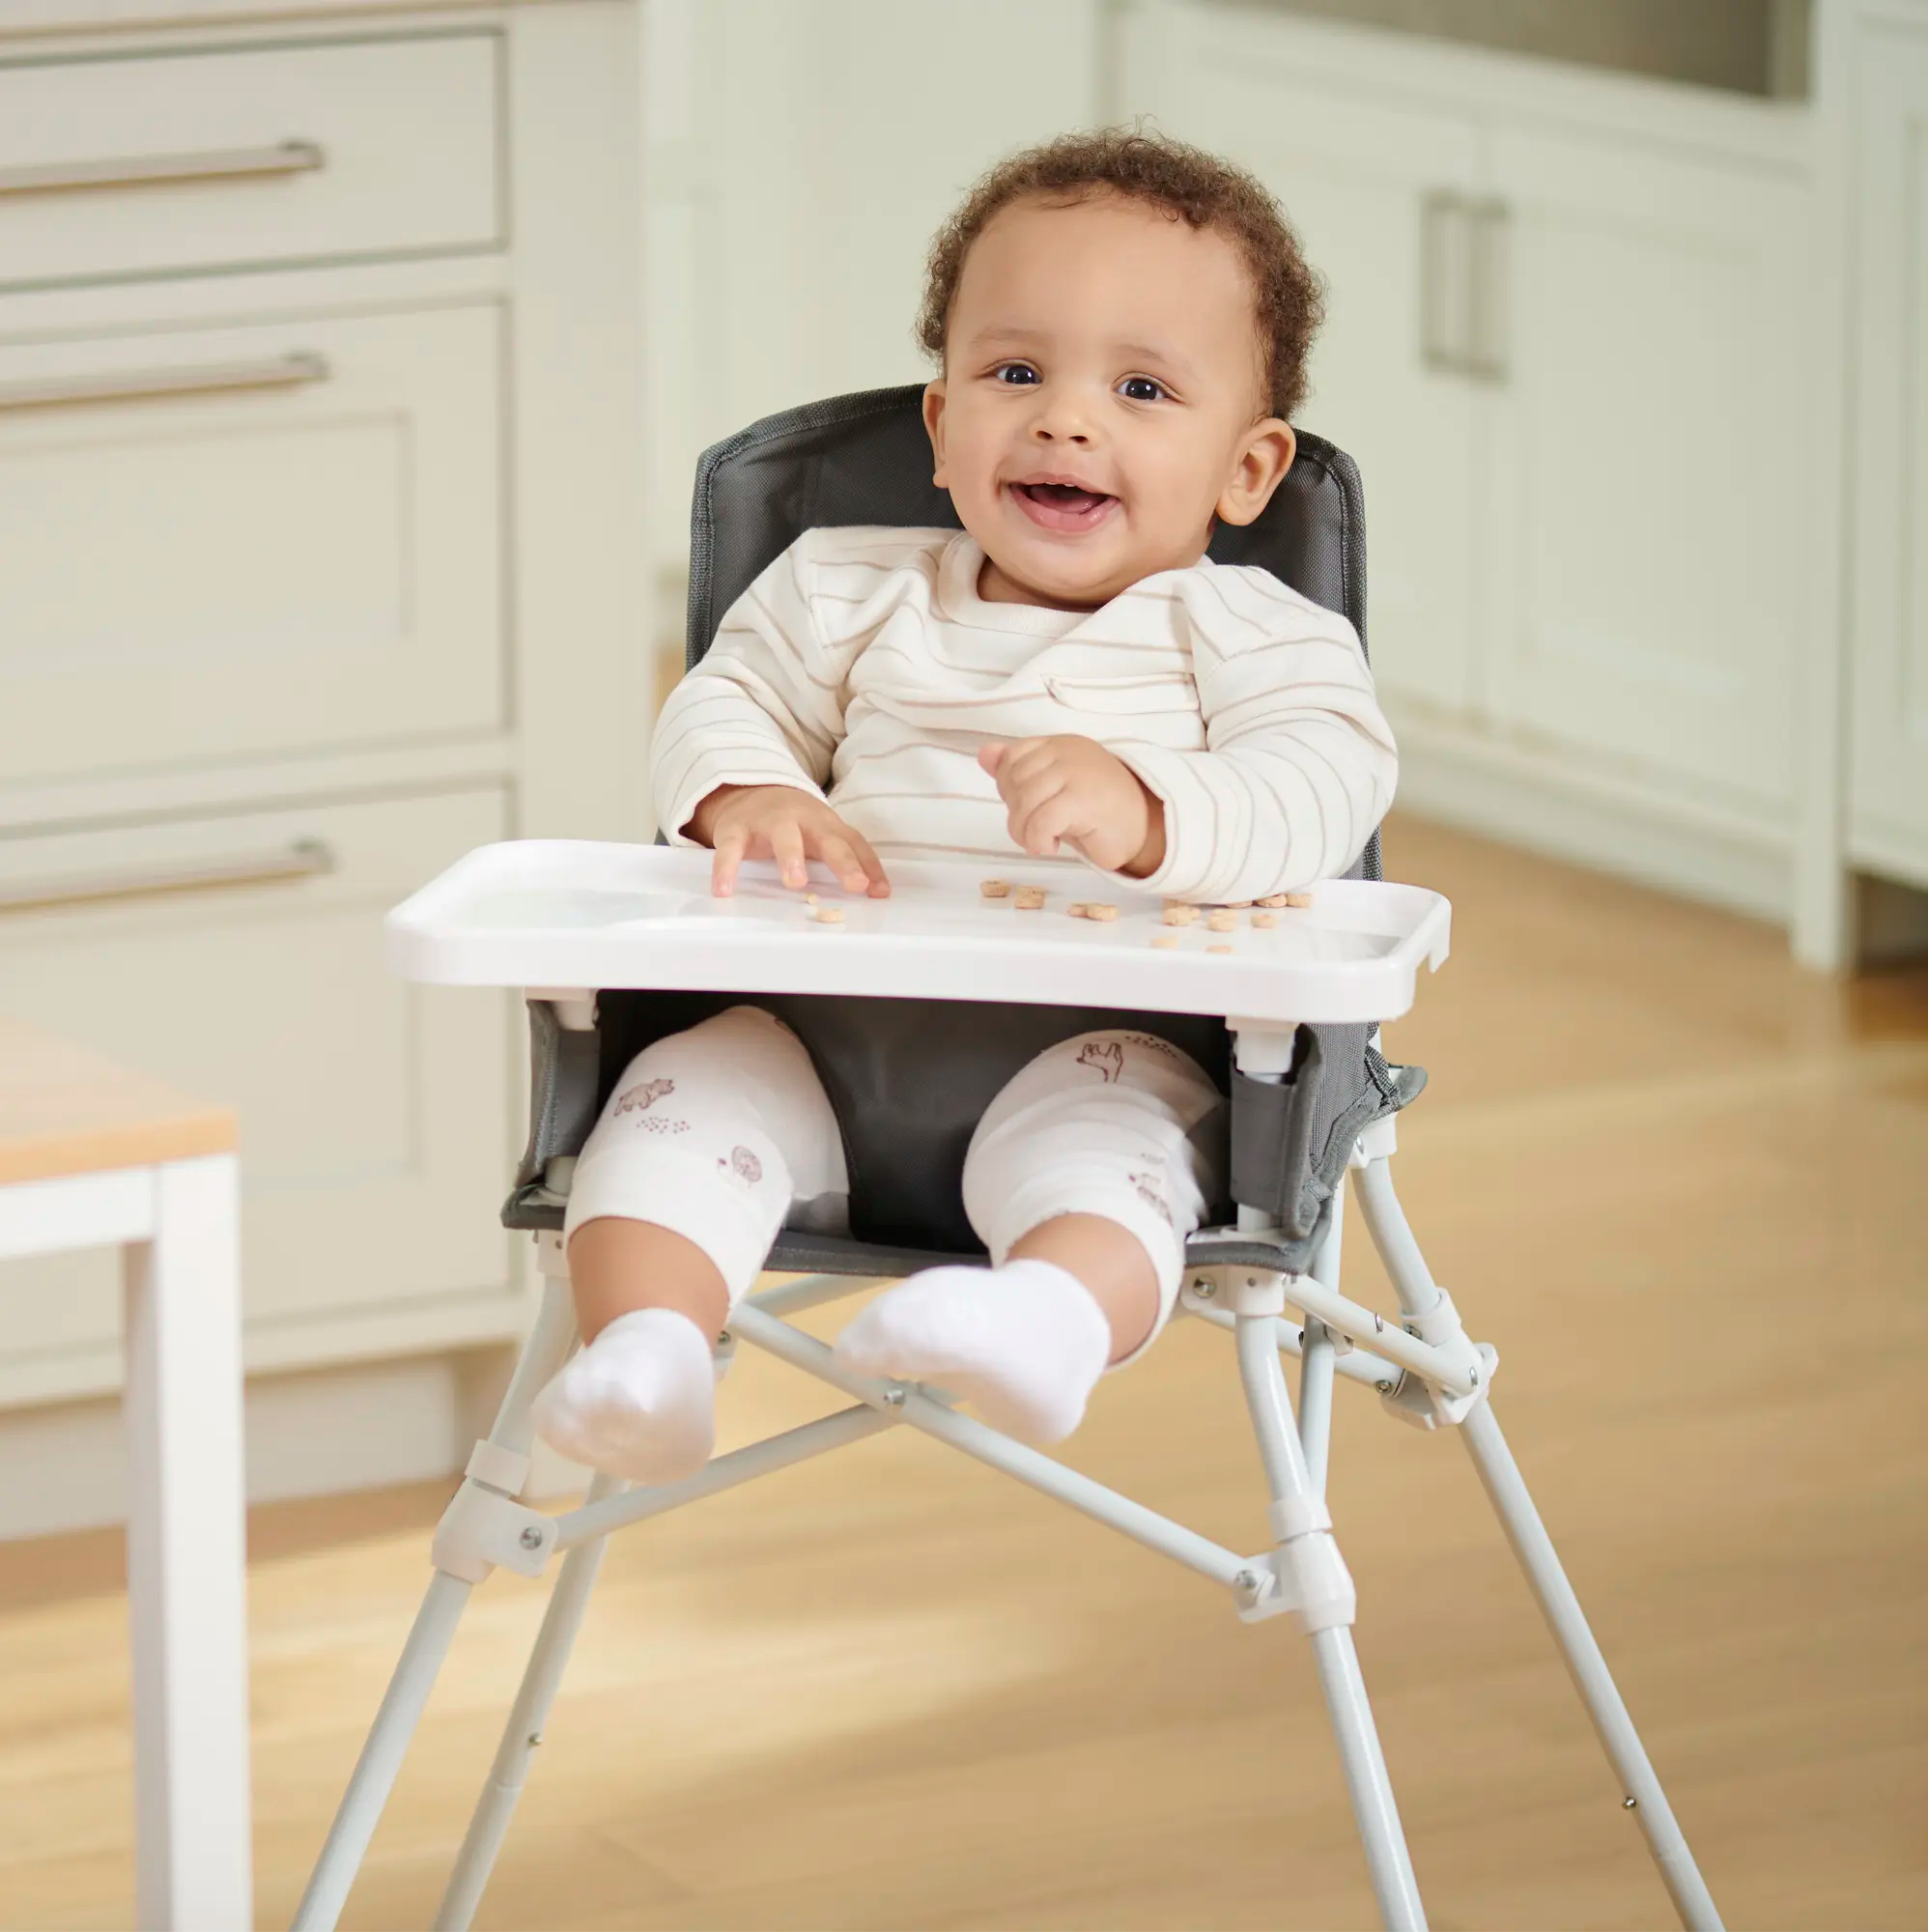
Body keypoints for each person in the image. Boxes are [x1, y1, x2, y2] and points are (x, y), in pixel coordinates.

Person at [533, 128, 1397, 1482]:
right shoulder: (846, 585)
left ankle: (1045, 1317)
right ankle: (645, 1351)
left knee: (1122, 1159)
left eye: (1143, 387)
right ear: (940, 424)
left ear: (1247, 471)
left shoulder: (1243, 628)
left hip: (1104, 1039)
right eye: (1014, 371)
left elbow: (1325, 785)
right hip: (808, 1036)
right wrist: (749, 789)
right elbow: (725, 696)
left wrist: (1158, 812)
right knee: (672, 1104)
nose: (1067, 418)